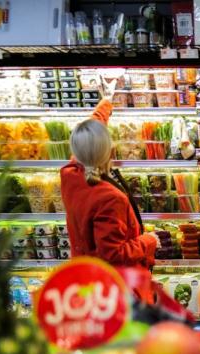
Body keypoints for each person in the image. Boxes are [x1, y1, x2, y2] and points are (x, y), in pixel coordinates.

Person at [61, 82, 160, 268]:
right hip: (114, 282)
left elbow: (89, 133)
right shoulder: (110, 199)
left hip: (86, 271)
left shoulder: (71, 174)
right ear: (110, 151)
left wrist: (106, 102)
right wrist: (148, 241)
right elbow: (113, 253)